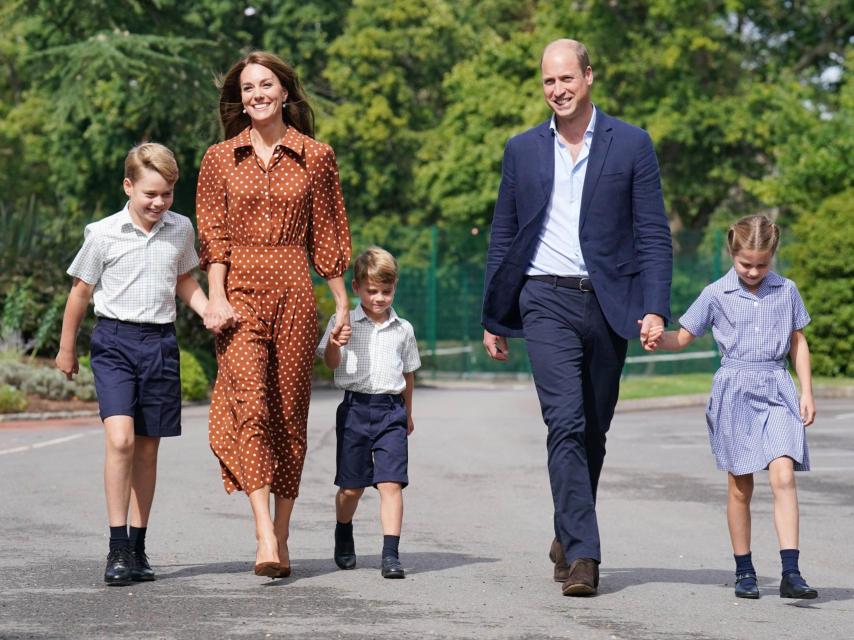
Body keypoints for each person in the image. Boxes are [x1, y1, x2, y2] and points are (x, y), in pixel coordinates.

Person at [481, 39, 673, 597]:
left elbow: (653, 233)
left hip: (610, 303)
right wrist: (494, 313)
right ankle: (585, 556)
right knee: (563, 422)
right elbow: (503, 234)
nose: (558, 90)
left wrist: (655, 306)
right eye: (549, 81)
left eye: (566, 78)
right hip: (544, 298)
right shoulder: (522, 150)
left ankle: (567, 532)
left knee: (593, 428)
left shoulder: (632, 143)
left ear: (589, 76)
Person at [197, 51, 352, 579]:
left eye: (266, 85)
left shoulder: (317, 156)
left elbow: (327, 233)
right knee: (251, 405)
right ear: (240, 100)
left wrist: (341, 302)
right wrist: (216, 297)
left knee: (288, 413)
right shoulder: (220, 158)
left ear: (285, 92)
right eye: (248, 88)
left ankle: (282, 531)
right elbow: (213, 236)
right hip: (239, 293)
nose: (257, 94)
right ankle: (263, 530)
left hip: (294, 291)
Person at [55, 143, 208, 586]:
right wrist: (67, 349)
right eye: (150, 194)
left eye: (167, 194)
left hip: (159, 343)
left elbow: (183, 278)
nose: (159, 203)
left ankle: (138, 547)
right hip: (115, 343)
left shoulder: (180, 228)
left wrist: (208, 310)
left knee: (147, 447)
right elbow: (80, 292)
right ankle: (117, 547)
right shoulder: (103, 233)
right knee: (120, 440)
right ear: (128, 186)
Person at [644, 215, 818, 599]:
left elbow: (798, 341)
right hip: (734, 390)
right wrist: (656, 337)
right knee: (741, 486)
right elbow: (683, 337)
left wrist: (806, 391)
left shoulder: (786, 290)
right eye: (746, 264)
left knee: (784, 475)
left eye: (762, 264)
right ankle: (745, 571)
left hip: (777, 387)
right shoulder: (715, 293)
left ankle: (791, 572)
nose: (753, 272)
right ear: (732, 254)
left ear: (772, 257)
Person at [316, 247, 421, 579]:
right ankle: (343, 529)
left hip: (391, 412)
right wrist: (336, 343)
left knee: (391, 484)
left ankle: (390, 555)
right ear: (357, 288)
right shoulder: (342, 322)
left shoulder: (403, 329)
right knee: (352, 488)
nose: (379, 298)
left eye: (386, 291)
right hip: (355, 410)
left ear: (394, 288)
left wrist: (407, 413)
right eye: (372, 291)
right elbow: (330, 363)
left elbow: (408, 374)